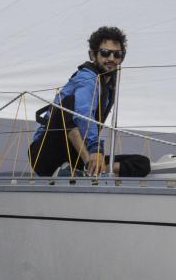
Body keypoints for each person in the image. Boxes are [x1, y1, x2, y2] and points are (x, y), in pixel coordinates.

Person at [27, 26, 151, 178]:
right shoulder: (87, 77)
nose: (112, 58)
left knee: (142, 163)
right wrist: (95, 148)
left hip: (75, 155)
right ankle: (89, 166)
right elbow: (83, 112)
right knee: (69, 103)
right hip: (45, 155)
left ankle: (90, 171)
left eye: (117, 54)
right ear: (93, 55)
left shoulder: (110, 84)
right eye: (105, 52)